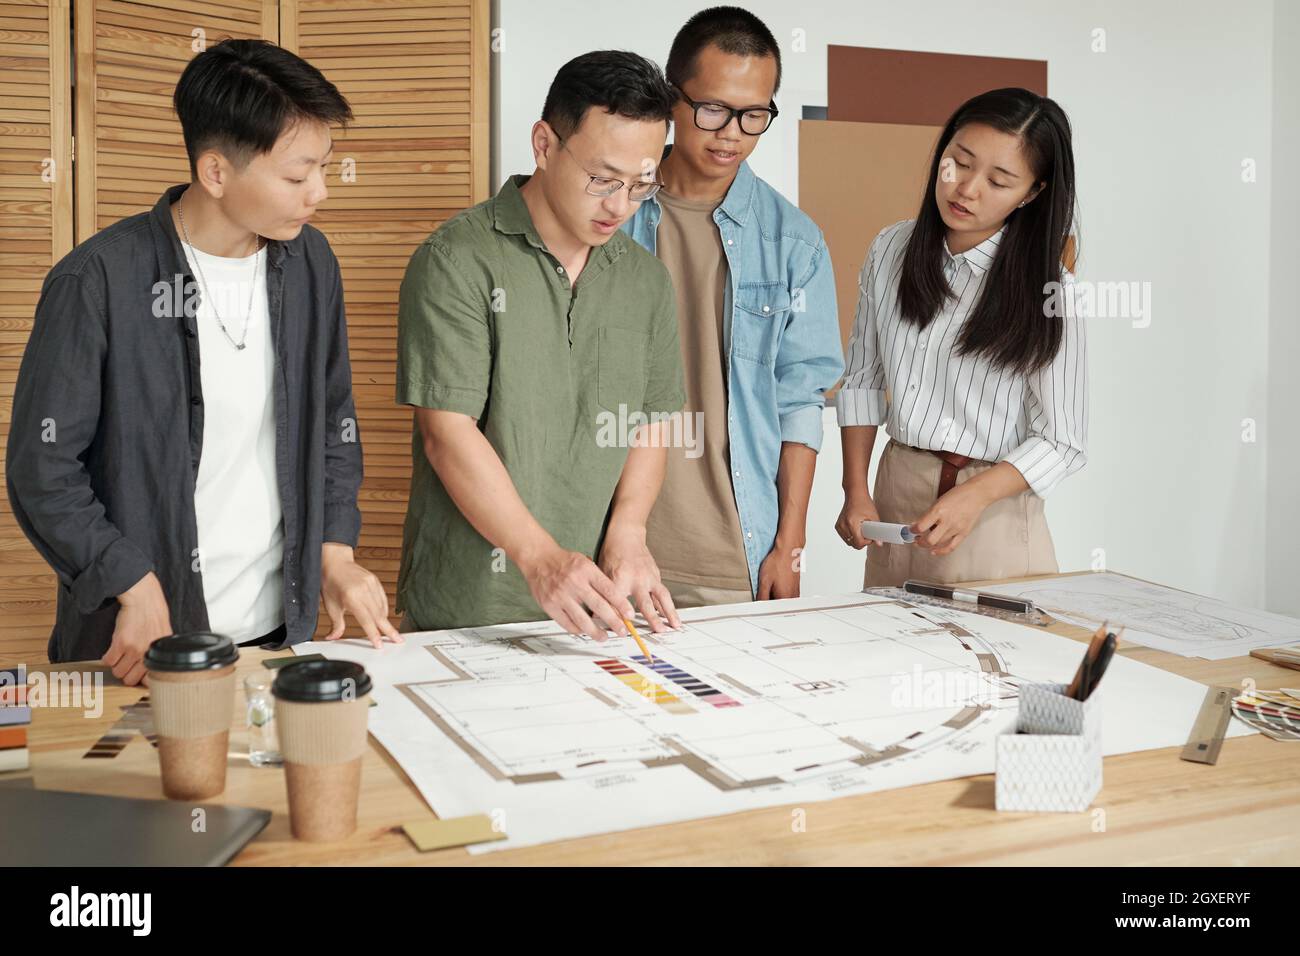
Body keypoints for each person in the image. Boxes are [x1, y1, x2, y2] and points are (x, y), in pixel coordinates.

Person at [6, 39, 399, 686]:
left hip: (277, 638)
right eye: (298, 177)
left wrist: (335, 552)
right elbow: (42, 467)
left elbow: (333, 423)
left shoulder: (310, 265)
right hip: (141, 646)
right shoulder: (99, 281)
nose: (320, 193)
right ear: (216, 173)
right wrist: (127, 579)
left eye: (324, 169)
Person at [395, 51, 687, 641]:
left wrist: (628, 533)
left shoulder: (645, 280)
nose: (619, 206)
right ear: (544, 144)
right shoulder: (457, 259)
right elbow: (446, 433)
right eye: (603, 179)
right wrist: (541, 559)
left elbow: (652, 423)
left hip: (598, 610)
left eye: (640, 185)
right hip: (470, 605)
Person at [623, 7, 843, 608]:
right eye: (714, 109)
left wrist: (788, 543)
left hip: (732, 551)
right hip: (609, 544)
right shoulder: (610, 216)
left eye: (754, 115)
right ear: (672, 99)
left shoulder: (794, 241)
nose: (732, 134)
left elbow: (800, 398)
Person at [835, 88, 1087, 587]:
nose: (966, 189)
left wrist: (974, 496)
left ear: (1033, 192)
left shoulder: (1051, 289)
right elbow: (863, 379)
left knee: (993, 661)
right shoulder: (891, 248)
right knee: (889, 654)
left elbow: (1064, 441)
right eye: (959, 163)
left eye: (998, 180)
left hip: (991, 506)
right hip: (896, 492)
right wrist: (855, 488)